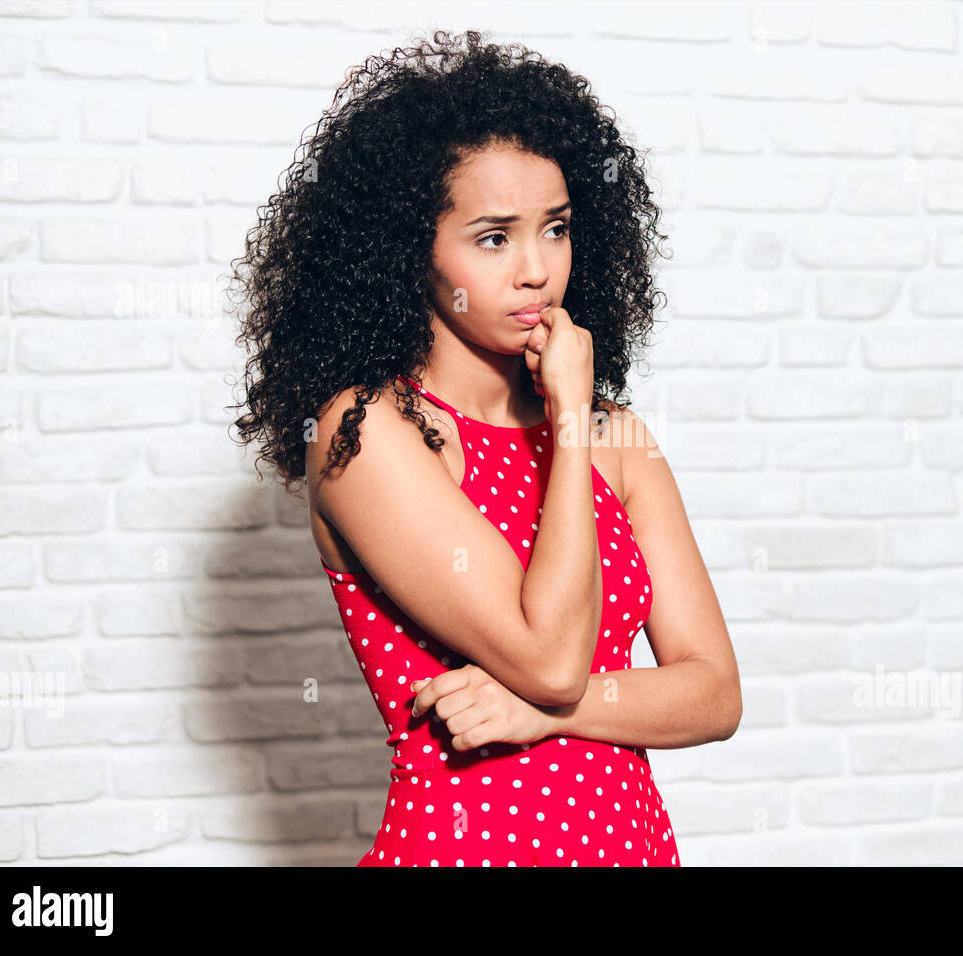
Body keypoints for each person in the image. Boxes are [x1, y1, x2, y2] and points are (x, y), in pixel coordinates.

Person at [227, 29, 741, 867]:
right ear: (409, 249)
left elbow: (714, 692)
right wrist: (569, 419)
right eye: (494, 237)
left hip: (629, 846)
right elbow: (546, 657)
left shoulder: (620, 440)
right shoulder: (371, 433)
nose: (536, 269)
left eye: (557, 228)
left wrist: (552, 713)